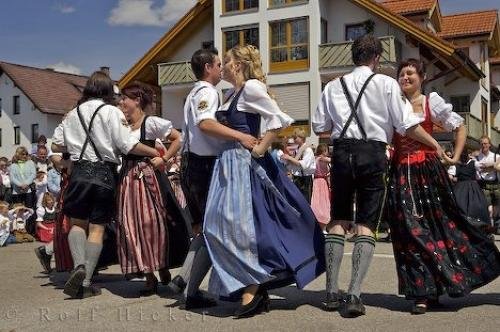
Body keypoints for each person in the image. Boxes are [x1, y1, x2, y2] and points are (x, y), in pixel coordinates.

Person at [312, 36, 442, 317]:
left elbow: (320, 125)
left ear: (353, 56)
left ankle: (331, 292)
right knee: (367, 222)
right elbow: (405, 124)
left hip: (342, 151)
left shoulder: (333, 85)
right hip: (372, 152)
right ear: (377, 58)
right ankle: (355, 295)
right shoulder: (386, 84)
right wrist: (433, 143)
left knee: (338, 218)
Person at [203, 44, 325, 318]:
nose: (221, 66)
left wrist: (261, 148)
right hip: (227, 164)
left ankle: (253, 287)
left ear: (238, 64)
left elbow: (278, 118)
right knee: (217, 225)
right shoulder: (232, 93)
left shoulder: (252, 88)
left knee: (241, 227)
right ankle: (253, 285)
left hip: (244, 165)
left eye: (226, 61)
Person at [386, 58, 500, 314]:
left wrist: (456, 158)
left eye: (410, 74)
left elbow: (458, 127)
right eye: (402, 74)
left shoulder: (430, 102)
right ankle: (422, 292)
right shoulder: (393, 104)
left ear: (422, 77)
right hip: (401, 173)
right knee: (408, 230)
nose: (405, 78)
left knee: (440, 227)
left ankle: (436, 286)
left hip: (428, 173)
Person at [51, 70, 160, 299]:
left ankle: (78, 265)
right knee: (97, 228)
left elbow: (56, 145)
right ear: (108, 91)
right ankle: (87, 280)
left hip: (80, 172)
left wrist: (76, 146)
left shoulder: (72, 114)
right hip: (104, 174)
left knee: (77, 224)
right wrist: (155, 152)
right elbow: (127, 144)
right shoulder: (111, 111)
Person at [167, 47, 257, 310]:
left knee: (205, 229)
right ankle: (187, 281)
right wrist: (240, 136)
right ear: (208, 68)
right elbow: (206, 124)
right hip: (203, 166)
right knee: (214, 229)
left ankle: (187, 283)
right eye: (219, 64)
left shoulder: (193, 92)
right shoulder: (207, 92)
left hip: (191, 164)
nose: (221, 68)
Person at [116, 81, 184, 296]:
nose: (121, 102)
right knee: (131, 225)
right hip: (127, 178)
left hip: (148, 179)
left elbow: (177, 139)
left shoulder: (151, 122)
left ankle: (161, 265)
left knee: (151, 222)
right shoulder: (122, 125)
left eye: (125, 98)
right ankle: (148, 275)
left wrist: (163, 157)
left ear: (137, 101)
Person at [281, 129, 316, 202]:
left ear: (302, 138)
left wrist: (289, 158)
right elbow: (293, 165)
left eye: (295, 138)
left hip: (305, 179)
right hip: (297, 178)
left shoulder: (308, 150)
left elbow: (303, 164)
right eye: (294, 138)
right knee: (298, 201)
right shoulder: (297, 150)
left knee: (305, 201)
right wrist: (288, 161)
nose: (294, 140)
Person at [475, 136, 500, 225]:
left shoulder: (496, 156)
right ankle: (489, 226)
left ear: (489, 144)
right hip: (484, 185)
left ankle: (496, 226)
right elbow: (480, 168)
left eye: (485, 143)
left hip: (496, 184)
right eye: (481, 143)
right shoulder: (476, 158)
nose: (483, 145)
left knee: (497, 207)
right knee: (488, 209)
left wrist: (489, 166)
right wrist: (494, 166)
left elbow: (498, 168)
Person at [34, 192, 57, 273]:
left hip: (54, 226)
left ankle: (47, 253)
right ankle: (46, 252)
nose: (51, 202)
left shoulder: (55, 208)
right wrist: (47, 228)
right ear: (45, 201)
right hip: (45, 227)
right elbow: (38, 223)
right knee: (54, 237)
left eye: (52, 200)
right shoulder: (41, 209)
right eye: (49, 200)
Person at [311, 143, 331, 231]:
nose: (328, 152)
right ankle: (323, 225)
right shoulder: (323, 159)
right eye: (326, 150)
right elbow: (332, 161)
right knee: (323, 203)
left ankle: (317, 224)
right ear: (323, 151)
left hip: (315, 181)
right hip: (322, 182)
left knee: (316, 202)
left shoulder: (315, 159)